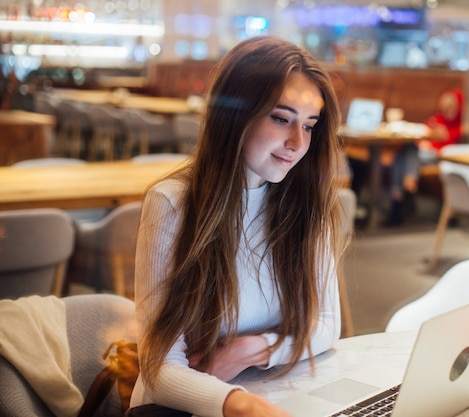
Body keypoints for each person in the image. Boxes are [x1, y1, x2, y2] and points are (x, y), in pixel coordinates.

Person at [129, 36, 348, 417]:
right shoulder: (172, 203)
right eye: (281, 119)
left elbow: (328, 325)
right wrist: (239, 404)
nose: (298, 142)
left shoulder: (306, 203)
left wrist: (252, 350)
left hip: (269, 392)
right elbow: (158, 366)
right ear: (234, 117)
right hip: (182, 407)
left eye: (310, 126)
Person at [385, 88, 464, 226]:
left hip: (439, 158)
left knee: (407, 152)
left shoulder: (460, 125)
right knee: (405, 153)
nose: (447, 108)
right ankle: (408, 181)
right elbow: (424, 130)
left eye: (451, 105)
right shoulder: (437, 119)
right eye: (445, 104)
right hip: (423, 154)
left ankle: (398, 199)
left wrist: (437, 141)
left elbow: (449, 143)